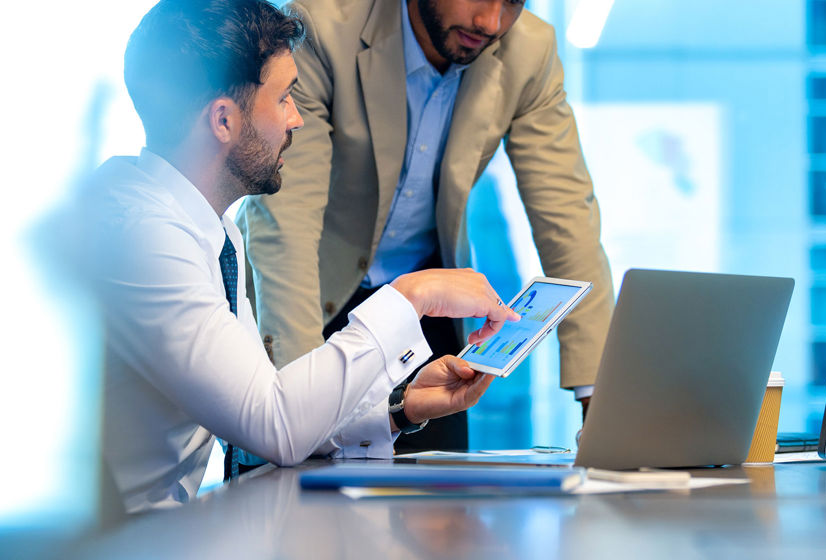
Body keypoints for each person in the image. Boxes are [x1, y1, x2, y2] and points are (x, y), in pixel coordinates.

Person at [71, 0, 518, 514]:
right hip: (122, 543)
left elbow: (261, 404)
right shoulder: (143, 237)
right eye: (283, 98)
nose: (297, 118)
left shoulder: (208, 229)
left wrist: (400, 408)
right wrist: (410, 295)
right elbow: (273, 424)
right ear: (223, 119)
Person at [237, 0, 615, 451]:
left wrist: (602, 401)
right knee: (294, 497)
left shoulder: (528, 50)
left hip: (426, 310)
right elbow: (287, 224)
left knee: (442, 508)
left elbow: (568, 216)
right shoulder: (322, 26)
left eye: (513, 1)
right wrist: (294, 411)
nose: (491, 22)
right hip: (310, 300)